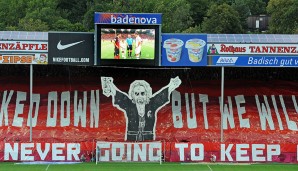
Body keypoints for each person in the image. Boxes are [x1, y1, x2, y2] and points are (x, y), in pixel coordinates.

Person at [101, 76, 181, 141]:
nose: (140, 96)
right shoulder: (129, 105)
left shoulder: (152, 104)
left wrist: (172, 85)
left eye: (142, 93)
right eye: (137, 94)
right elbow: (119, 95)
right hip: (131, 140)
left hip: (148, 140)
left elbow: (162, 95)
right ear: (133, 95)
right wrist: (109, 84)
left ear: (147, 94)